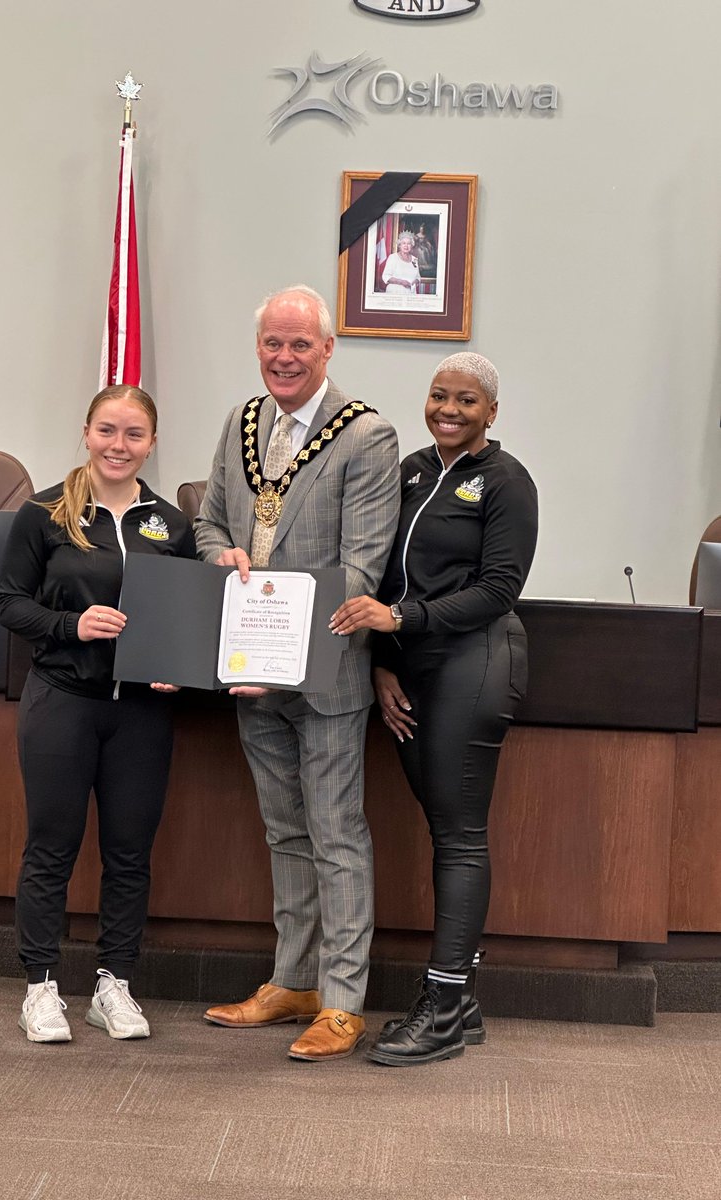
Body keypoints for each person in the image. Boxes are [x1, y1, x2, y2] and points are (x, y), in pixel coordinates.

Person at [195, 285, 400, 1062]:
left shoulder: (367, 436)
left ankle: (343, 1001)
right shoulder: (243, 422)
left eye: (299, 346)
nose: (284, 358)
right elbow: (210, 521)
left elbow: (361, 567)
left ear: (327, 350)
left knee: (336, 834)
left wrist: (277, 656)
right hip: (250, 675)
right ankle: (294, 981)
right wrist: (223, 557)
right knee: (284, 832)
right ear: (259, 348)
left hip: (324, 676)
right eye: (273, 344)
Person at [330, 352, 538, 1066]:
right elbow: (386, 570)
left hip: (475, 663)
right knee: (443, 826)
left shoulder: (508, 483)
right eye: (439, 395)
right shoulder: (412, 469)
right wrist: (384, 662)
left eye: (467, 401)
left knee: (458, 834)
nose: (449, 409)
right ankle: (464, 1000)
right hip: (413, 669)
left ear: (491, 412)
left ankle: (444, 1005)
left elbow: (498, 589)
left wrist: (400, 622)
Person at [0, 384, 196, 1043]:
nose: (119, 445)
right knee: (51, 848)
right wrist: (71, 624)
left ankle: (114, 985)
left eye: (134, 434)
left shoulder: (170, 523)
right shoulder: (45, 513)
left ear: (152, 444)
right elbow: (8, 604)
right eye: (108, 431)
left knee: (130, 853)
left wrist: (179, 665)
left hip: (139, 715)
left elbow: (189, 616)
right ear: (86, 433)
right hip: (63, 703)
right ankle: (41, 987)